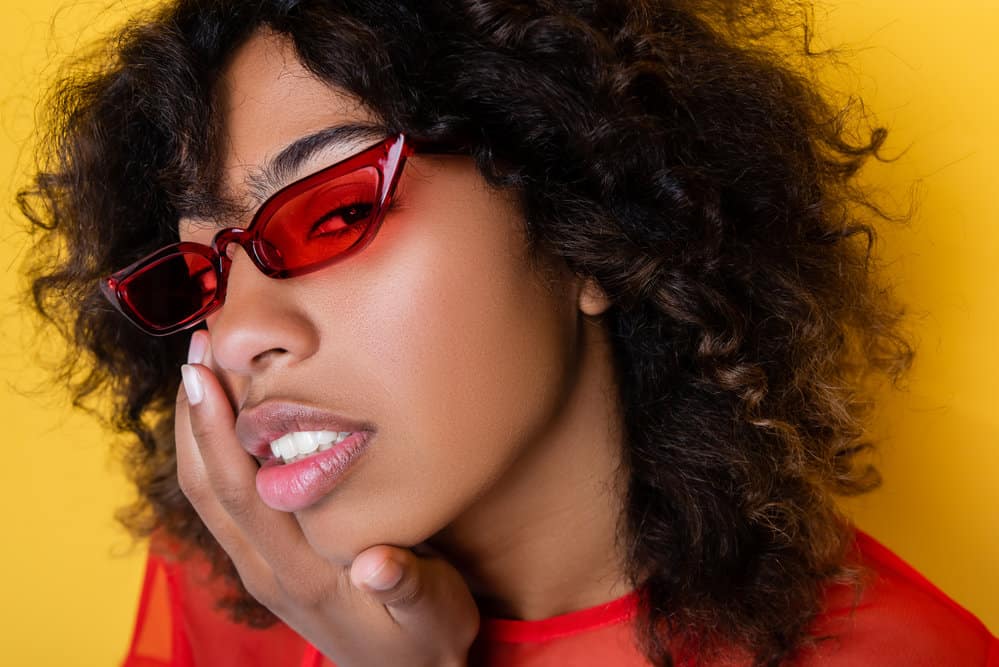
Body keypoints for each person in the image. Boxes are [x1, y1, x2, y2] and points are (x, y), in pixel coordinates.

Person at [19, 0, 998, 665]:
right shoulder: (243, 582)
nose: (235, 337)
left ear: (588, 229)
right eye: (199, 272)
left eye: (331, 214)